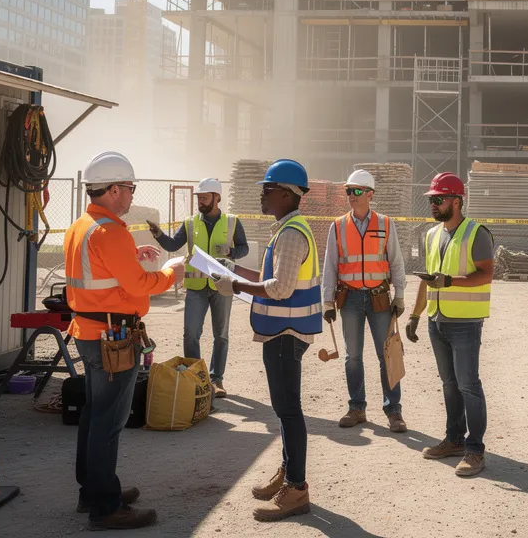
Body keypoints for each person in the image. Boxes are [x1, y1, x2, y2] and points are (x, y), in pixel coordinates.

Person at [65, 151, 186, 530]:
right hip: (113, 339)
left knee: (94, 414)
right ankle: (106, 507)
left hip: (89, 332)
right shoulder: (111, 232)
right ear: (114, 189)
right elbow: (139, 284)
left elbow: (98, 267)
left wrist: (131, 255)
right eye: (130, 188)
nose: (132, 195)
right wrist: (172, 272)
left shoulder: (81, 226)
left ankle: (92, 491)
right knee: (109, 422)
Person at [212, 159, 320, 522]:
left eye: (268, 189)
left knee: (289, 410)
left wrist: (236, 286)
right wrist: (234, 271)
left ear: (287, 194)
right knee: (284, 410)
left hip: (286, 333)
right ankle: (289, 473)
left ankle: (297, 488)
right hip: (283, 331)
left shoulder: (291, 234)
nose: (262, 194)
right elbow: (270, 276)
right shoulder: (288, 229)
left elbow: (280, 288)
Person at [406, 172, 494, 478]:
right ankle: (454, 439)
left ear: (456, 202)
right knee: (449, 383)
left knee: (468, 384)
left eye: (438, 199)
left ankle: (475, 449)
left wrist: (450, 281)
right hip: (437, 320)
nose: (433, 204)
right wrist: (415, 315)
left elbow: (486, 274)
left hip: (465, 323)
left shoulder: (476, 233)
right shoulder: (432, 235)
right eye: (431, 199)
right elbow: (428, 279)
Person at [322, 169, 408, 432]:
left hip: (379, 297)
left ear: (370, 194)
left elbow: (396, 262)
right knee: (352, 357)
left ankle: (393, 411)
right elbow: (330, 266)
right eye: (349, 190)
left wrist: (400, 295)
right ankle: (357, 408)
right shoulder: (337, 226)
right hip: (349, 299)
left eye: (357, 191)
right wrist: (327, 301)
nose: (351, 195)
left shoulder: (385, 224)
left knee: (387, 355)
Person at [146, 177, 249, 397]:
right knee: (191, 333)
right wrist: (158, 235)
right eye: (199, 198)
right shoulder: (190, 222)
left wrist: (231, 252)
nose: (200, 201)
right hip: (195, 287)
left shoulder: (232, 221)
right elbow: (173, 245)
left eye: (204, 197)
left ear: (216, 197)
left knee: (221, 335)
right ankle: (196, 378)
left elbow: (244, 248)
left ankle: (216, 379)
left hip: (222, 286)